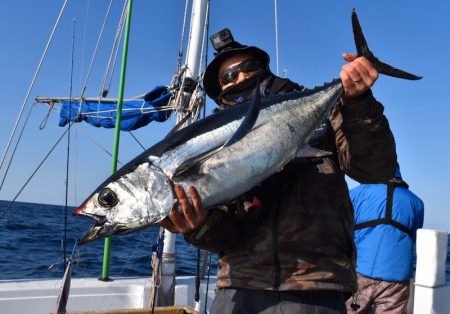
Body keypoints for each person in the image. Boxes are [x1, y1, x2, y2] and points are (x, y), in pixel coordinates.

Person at [160, 27, 397, 314]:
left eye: (248, 67)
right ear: (219, 90)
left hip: (316, 286)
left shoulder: (319, 112)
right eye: (228, 77)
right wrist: (198, 227)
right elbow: (227, 235)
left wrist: (359, 103)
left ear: (264, 68)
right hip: (238, 286)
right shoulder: (209, 147)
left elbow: (375, 169)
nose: (241, 77)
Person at [345, 167, 424, 313]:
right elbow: (414, 235)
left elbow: (343, 230)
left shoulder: (355, 194)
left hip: (359, 274)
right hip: (397, 280)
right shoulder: (417, 203)